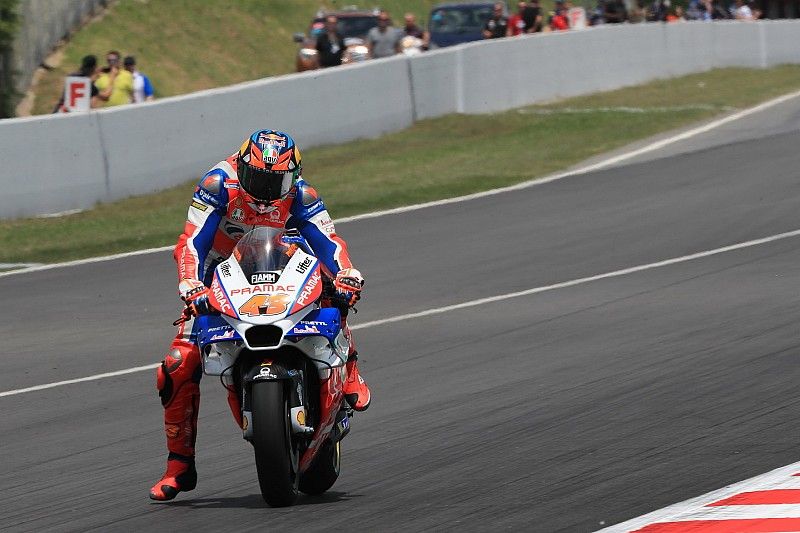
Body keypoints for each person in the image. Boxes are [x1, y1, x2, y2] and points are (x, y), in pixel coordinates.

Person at [149, 130, 371, 501]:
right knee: (176, 364)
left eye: (276, 181)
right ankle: (179, 465)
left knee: (335, 289)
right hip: (221, 272)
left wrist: (346, 271)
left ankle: (349, 368)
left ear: (293, 177)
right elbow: (192, 240)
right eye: (258, 178)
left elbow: (329, 241)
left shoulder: (302, 194)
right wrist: (190, 282)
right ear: (241, 167)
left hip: (284, 263)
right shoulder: (217, 185)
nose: (267, 190)